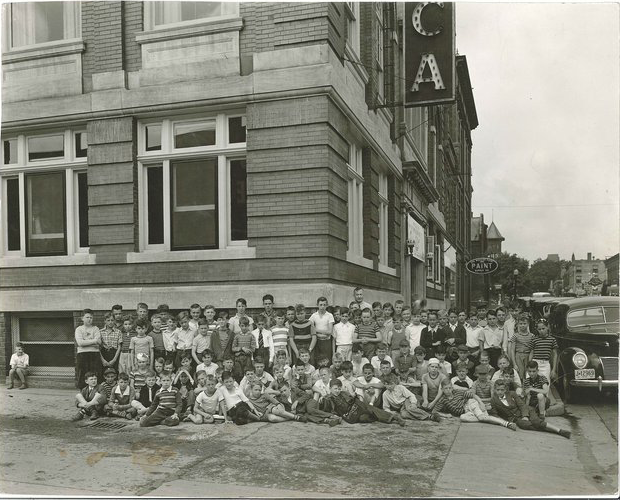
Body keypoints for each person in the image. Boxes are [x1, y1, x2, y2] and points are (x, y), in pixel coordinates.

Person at [490, 379, 570, 438]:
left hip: (527, 410)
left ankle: (559, 430)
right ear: (495, 390)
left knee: (536, 421)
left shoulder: (512, 394)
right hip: (516, 418)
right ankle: (553, 430)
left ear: (505, 390)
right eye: (498, 390)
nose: (500, 392)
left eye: (502, 390)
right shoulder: (494, 400)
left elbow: (522, 405)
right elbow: (495, 414)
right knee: (525, 425)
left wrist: (525, 416)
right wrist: (506, 423)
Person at [432, 380, 517, 431]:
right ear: (442, 389)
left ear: (452, 387)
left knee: (481, 417)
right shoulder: (443, 400)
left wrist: (481, 403)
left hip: (470, 403)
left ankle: (506, 423)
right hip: (466, 411)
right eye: (446, 388)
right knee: (462, 418)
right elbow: (434, 411)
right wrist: (445, 415)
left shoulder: (457, 392)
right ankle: (485, 417)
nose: (448, 390)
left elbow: (473, 395)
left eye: (450, 388)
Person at [321, 379, 405, 426]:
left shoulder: (343, 393)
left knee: (368, 408)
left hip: (356, 406)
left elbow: (352, 400)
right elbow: (328, 410)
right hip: (349, 415)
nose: (337, 391)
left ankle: (393, 417)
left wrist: (352, 396)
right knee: (364, 417)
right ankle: (386, 417)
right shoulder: (328, 398)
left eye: (339, 388)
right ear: (330, 388)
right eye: (335, 389)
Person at [75, 309, 102, 388]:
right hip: (82, 354)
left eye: (91, 317)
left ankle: (95, 394)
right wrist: (94, 341)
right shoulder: (79, 329)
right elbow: (80, 343)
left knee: (95, 374)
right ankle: (83, 394)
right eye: (87, 317)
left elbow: (99, 341)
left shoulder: (95, 328)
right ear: (82, 318)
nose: (89, 319)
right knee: (83, 374)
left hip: (94, 354)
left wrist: (85, 342)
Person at [528, 319, 559, 384]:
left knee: (545, 384)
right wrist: (529, 365)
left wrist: (553, 369)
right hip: (535, 363)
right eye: (539, 329)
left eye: (543, 328)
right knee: (533, 383)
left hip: (545, 364)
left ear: (547, 327)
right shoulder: (534, 339)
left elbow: (555, 354)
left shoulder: (552, 340)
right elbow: (531, 352)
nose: (541, 331)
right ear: (537, 329)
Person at [309, 297, 335, 364]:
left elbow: (329, 332)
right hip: (317, 341)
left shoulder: (329, 315)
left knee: (327, 361)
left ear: (327, 305)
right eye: (321, 305)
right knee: (318, 361)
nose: (322, 307)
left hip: (327, 342)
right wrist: (319, 333)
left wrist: (316, 330)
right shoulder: (314, 315)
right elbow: (310, 327)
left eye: (324, 305)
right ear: (317, 305)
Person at [508, 314, 534, 380]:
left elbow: (532, 350)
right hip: (518, 355)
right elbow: (512, 350)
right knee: (519, 374)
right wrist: (514, 363)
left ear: (528, 324)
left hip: (528, 356)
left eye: (524, 323)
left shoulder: (532, 336)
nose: (522, 325)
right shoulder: (515, 336)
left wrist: (530, 360)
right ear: (518, 324)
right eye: (521, 323)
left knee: (528, 374)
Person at [232, 317, 256, 382]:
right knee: (238, 374)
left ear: (248, 326)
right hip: (238, 358)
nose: (244, 328)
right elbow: (233, 348)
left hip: (247, 357)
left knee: (246, 373)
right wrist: (242, 348)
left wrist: (248, 350)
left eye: (246, 326)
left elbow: (253, 348)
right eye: (242, 326)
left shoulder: (251, 336)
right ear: (239, 326)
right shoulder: (237, 336)